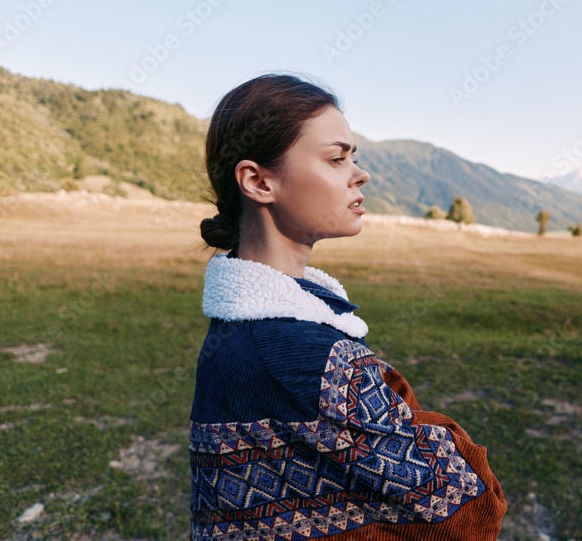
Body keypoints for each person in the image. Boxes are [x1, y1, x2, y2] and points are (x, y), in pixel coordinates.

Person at [189, 73, 507, 539]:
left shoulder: (241, 327)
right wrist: (425, 422)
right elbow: (472, 508)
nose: (361, 173)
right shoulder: (303, 354)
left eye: (353, 157)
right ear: (258, 182)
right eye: (337, 159)